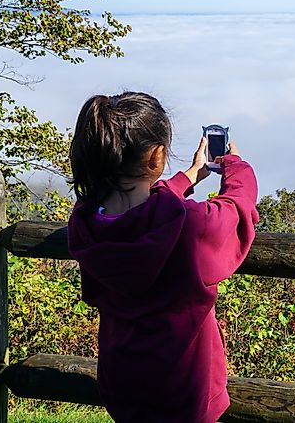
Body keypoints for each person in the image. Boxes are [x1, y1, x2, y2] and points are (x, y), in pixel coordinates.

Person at [67, 92, 258, 423]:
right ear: (156, 157)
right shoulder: (188, 227)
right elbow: (235, 209)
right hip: (183, 392)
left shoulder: (85, 223)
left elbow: (140, 214)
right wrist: (235, 165)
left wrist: (187, 178)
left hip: (122, 382)